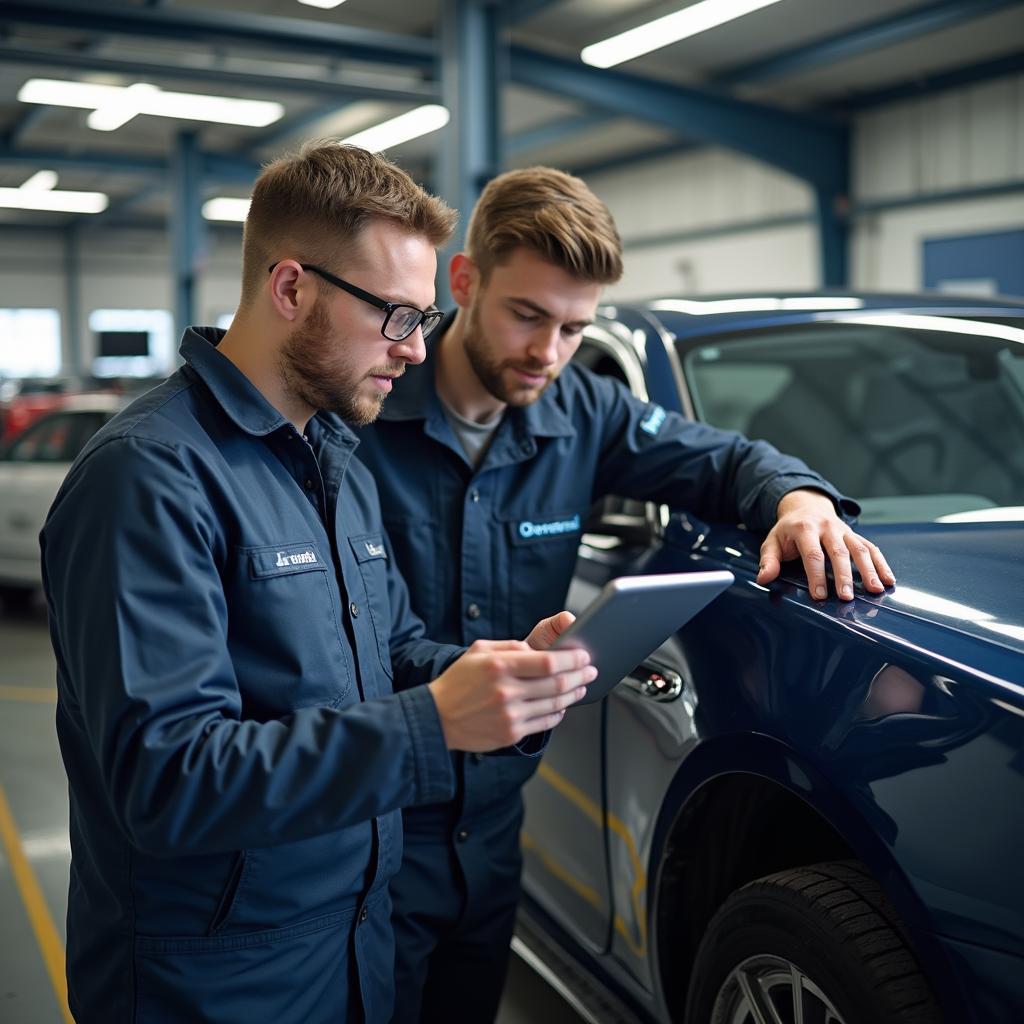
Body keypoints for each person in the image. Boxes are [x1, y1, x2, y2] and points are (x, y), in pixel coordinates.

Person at [39, 144, 596, 1024]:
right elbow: (165, 779)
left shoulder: (337, 459)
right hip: (218, 981)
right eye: (398, 318)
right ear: (291, 288)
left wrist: (491, 677)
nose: (418, 352)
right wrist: (435, 722)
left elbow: (391, 652)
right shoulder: (147, 478)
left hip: (354, 948)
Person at [354, 166, 896, 1023]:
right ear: (463, 281)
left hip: (493, 831)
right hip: (366, 827)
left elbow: (724, 459)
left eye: (574, 328)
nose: (547, 353)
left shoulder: (585, 411)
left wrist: (802, 502)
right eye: (526, 315)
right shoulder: (361, 414)